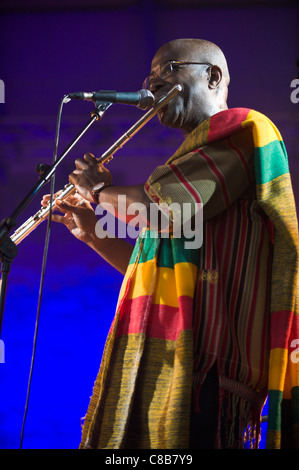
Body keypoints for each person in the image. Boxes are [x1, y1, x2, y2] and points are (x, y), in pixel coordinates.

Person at [42, 38, 299, 449]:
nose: (152, 84)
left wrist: (98, 191)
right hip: (162, 360)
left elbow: (165, 210)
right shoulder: (187, 164)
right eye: (149, 76)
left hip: (205, 371)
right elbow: (159, 275)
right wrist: (92, 231)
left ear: (212, 76)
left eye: (168, 70)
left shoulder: (247, 131)